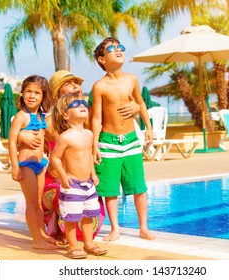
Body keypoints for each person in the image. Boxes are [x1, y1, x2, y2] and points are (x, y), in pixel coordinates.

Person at [18, 70, 141, 242]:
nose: (76, 85)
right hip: (58, 180)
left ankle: (74, 234)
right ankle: (54, 221)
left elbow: (115, 118)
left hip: (84, 179)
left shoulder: (90, 114)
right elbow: (21, 129)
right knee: (69, 211)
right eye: (69, 83)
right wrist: (20, 135)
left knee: (92, 222)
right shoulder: (46, 122)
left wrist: (137, 106)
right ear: (57, 93)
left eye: (77, 82)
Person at [92, 37, 156, 241]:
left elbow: (141, 103)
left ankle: (143, 227)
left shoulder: (132, 79)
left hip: (130, 139)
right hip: (108, 141)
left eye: (120, 47)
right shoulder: (99, 86)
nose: (118, 50)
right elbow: (96, 118)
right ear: (102, 59)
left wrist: (148, 128)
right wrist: (94, 145)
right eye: (112, 48)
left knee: (138, 186)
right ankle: (115, 228)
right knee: (110, 189)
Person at [50, 92, 107, 259]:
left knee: (89, 215)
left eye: (82, 102)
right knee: (71, 217)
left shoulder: (89, 134)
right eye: (75, 105)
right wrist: (62, 175)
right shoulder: (65, 137)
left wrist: (93, 174)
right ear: (65, 115)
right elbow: (55, 157)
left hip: (88, 184)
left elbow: (89, 156)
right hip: (72, 183)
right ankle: (73, 245)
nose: (82, 105)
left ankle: (88, 244)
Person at [8, 75, 57, 250]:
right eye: (28, 91)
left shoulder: (42, 117)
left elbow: (45, 139)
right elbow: (12, 141)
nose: (32, 96)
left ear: (43, 96)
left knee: (38, 202)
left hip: (40, 164)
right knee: (30, 203)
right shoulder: (21, 116)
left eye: (37, 92)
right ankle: (36, 239)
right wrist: (14, 166)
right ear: (22, 94)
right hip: (26, 164)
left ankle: (42, 234)